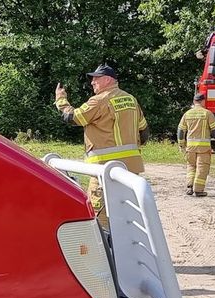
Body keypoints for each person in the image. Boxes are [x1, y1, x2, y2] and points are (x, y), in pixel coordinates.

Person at [54, 63, 148, 224]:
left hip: (104, 169)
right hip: (131, 169)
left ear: (107, 80)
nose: (92, 82)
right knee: (128, 211)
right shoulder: (131, 99)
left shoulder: (99, 100)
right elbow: (144, 131)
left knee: (99, 215)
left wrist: (61, 100)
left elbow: (73, 117)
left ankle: (106, 239)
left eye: (96, 79)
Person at [177, 93, 215, 196]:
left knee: (191, 166)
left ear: (194, 101)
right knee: (202, 167)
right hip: (203, 148)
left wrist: (181, 145)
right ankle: (198, 190)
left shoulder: (187, 114)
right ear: (203, 101)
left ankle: (189, 187)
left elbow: (181, 130)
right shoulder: (208, 114)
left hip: (190, 147)